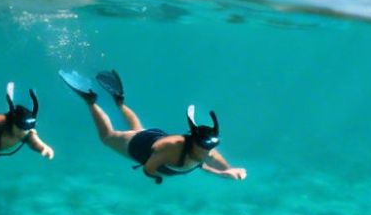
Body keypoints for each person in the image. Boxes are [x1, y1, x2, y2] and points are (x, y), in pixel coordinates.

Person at [59, 69, 246, 184]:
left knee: (139, 128)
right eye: (205, 147)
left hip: (154, 136)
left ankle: (119, 101)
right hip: (139, 145)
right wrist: (157, 177)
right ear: (194, 143)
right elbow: (148, 169)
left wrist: (227, 170)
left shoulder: (205, 150)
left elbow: (207, 164)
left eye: (210, 147)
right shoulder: (170, 150)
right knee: (107, 137)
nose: (208, 152)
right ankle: (90, 100)